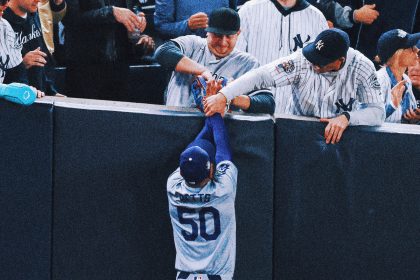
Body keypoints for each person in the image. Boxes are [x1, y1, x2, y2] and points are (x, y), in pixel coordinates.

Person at [204, 28, 385, 144]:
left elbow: (377, 112)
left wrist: (347, 117)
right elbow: (261, 75)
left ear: (340, 60)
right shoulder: (302, 59)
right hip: (299, 133)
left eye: (321, 62)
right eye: (314, 57)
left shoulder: (362, 66)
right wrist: (224, 95)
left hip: (342, 138)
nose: (314, 64)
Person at [155, 7, 275, 114]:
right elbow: (162, 52)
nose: (223, 42)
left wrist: (228, 96)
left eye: (229, 36)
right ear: (207, 31)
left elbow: (268, 103)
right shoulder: (193, 44)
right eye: (217, 35)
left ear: (238, 34)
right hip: (176, 121)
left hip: (218, 130)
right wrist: (202, 71)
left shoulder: (248, 63)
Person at [167, 113, 237, 280]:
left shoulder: (173, 186)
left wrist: (211, 114)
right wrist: (214, 113)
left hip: (185, 276)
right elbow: (223, 153)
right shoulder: (223, 189)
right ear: (211, 172)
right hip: (217, 276)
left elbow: (195, 148)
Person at [236, 0, 328, 113]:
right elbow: (236, 61)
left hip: (297, 113)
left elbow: (325, 73)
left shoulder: (317, 18)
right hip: (254, 108)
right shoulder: (249, 10)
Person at [63, 0, 153, 101]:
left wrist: (137, 18)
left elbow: (134, 6)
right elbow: (70, 18)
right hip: (85, 66)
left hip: (120, 66)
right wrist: (111, 12)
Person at [3, 0, 64, 95]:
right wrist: (21, 64)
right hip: (16, 99)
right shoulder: (3, 23)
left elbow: (40, 62)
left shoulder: (33, 14)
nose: (39, 0)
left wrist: (50, 91)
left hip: (39, 96)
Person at [375, 29, 420, 124]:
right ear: (397, 54)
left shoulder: (406, 80)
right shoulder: (379, 80)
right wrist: (392, 106)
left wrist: (413, 118)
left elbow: (404, 119)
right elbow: (370, 119)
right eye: (411, 47)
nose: (417, 49)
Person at [154, 0, 236, 39]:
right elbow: (161, 27)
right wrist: (187, 26)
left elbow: (234, 20)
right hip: (188, 55)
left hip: (222, 53)